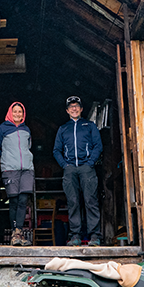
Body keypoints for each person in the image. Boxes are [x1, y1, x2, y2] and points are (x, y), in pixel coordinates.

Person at [53, 95, 103, 246]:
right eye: (71, 107)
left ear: (81, 109)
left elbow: (98, 146)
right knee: (73, 202)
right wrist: (65, 165)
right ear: (67, 111)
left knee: (90, 200)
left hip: (86, 168)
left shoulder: (90, 126)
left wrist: (90, 163)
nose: (74, 109)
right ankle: (75, 235)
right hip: (70, 169)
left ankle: (94, 235)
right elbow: (56, 150)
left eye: (77, 106)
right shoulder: (63, 129)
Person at [0, 102, 34, 246]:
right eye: (15, 111)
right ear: (10, 113)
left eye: (20, 112)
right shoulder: (3, 128)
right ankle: (14, 232)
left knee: (23, 201)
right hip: (10, 169)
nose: (18, 114)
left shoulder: (26, 129)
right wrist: (8, 160)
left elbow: (28, 147)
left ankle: (19, 232)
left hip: (27, 169)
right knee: (14, 201)